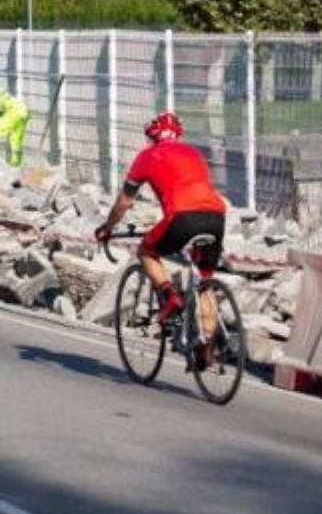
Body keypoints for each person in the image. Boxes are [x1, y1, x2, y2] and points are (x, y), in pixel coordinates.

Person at [95, 111, 226, 366]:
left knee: (146, 251)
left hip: (182, 217)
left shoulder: (147, 156)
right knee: (205, 281)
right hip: (216, 215)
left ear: (152, 136)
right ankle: (206, 347)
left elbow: (124, 202)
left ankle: (169, 295)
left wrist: (107, 228)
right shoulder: (194, 153)